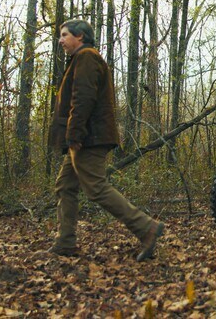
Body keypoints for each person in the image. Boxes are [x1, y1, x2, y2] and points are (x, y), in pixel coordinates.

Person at [47, 19, 164, 261]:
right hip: (83, 136)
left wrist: (74, 134)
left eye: (65, 35)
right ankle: (65, 242)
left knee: (96, 188)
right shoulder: (82, 58)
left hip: (87, 138)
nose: (61, 40)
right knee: (65, 185)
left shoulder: (86, 57)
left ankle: (146, 228)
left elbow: (83, 98)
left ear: (80, 37)